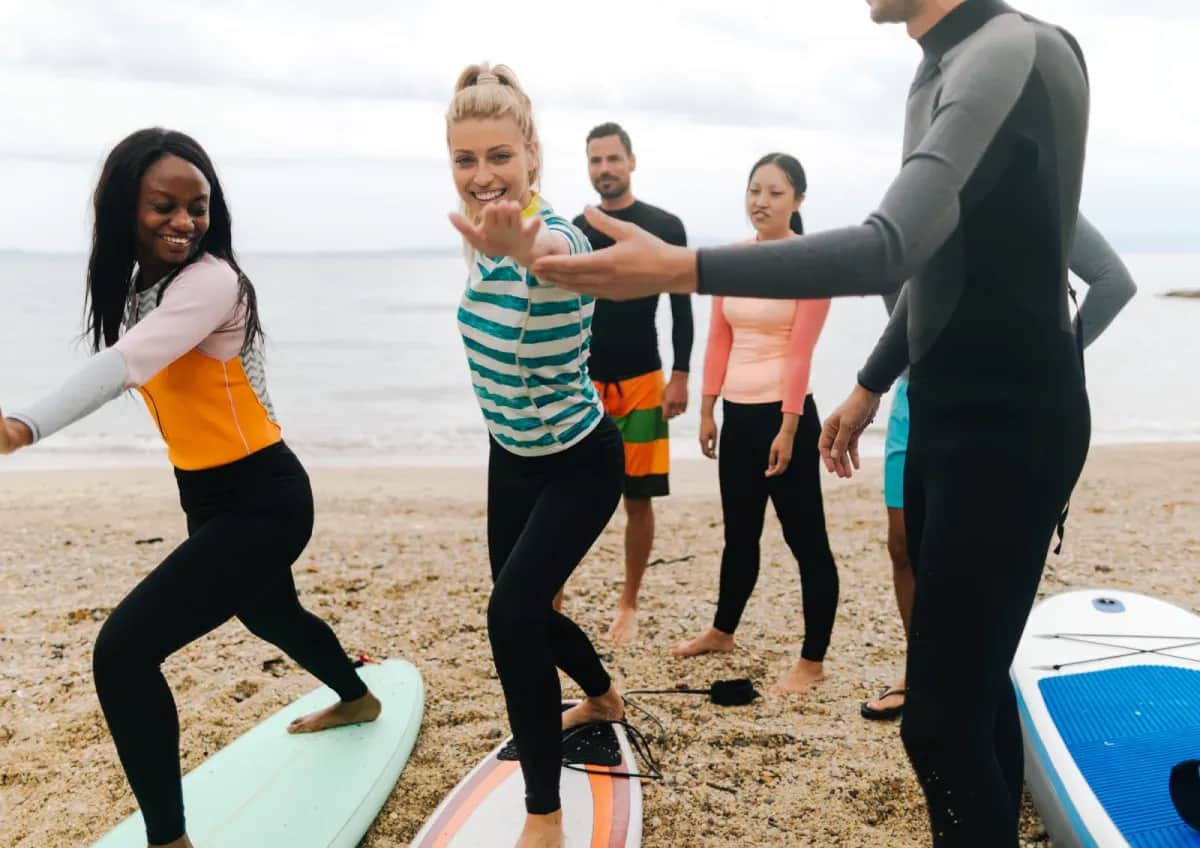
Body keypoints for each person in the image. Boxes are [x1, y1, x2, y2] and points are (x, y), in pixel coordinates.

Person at [530, 1, 1123, 843]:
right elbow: (942, 260)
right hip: (954, 415)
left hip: (1011, 425)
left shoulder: (1008, 51)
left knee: (939, 722)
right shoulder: (943, 63)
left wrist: (678, 268)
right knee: (976, 688)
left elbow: (891, 246)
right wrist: (872, 383)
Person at [0, 128, 380, 848]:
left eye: (197, 206)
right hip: (208, 496)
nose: (184, 221)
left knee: (123, 652)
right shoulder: (140, 287)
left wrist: (23, 425)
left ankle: (169, 841)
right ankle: (357, 699)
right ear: (124, 211)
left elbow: (123, 365)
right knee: (271, 615)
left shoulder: (212, 281)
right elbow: (134, 365)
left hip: (265, 498)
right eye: (163, 207)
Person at [446, 63, 625, 848]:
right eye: (465, 160)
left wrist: (529, 244)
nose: (483, 177)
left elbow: (558, 252)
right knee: (525, 608)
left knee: (511, 615)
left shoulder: (553, 239)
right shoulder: (478, 238)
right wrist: (500, 241)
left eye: (499, 157)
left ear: (532, 154)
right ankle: (603, 695)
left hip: (580, 460)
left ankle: (544, 816)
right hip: (510, 454)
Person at [861, 216, 1137, 721]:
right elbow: (904, 296)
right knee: (903, 544)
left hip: (997, 411)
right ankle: (921, 669)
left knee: (966, 557)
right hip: (915, 398)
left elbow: (1115, 282)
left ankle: (966, 680)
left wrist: (1057, 355)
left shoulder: (1048, 197)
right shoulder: (928, 196)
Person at [672, 153, 839, 697]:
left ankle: (812, 661)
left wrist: (790, 428)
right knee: (739, 534)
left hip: (784, 415)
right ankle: (723, 631)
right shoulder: (732, 260)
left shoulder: (810, 265)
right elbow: (719, 337)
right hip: (738, 417)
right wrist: (706, 407)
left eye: (774, 192)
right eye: (754, 191)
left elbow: (800, 354)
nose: (761, 202)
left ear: (798, 201)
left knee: (805, 539)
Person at [567, 121, 693, 646]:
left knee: (638, 499)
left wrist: (681, 375)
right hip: (584, 384)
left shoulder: (664, 225)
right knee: (569, 496)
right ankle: (553, 599)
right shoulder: (577, 228)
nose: (605, 170)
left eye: (612, 159)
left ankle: (628, 603)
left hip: (644, 379)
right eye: (595, 161)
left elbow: (681, 306)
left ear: (632, 162)